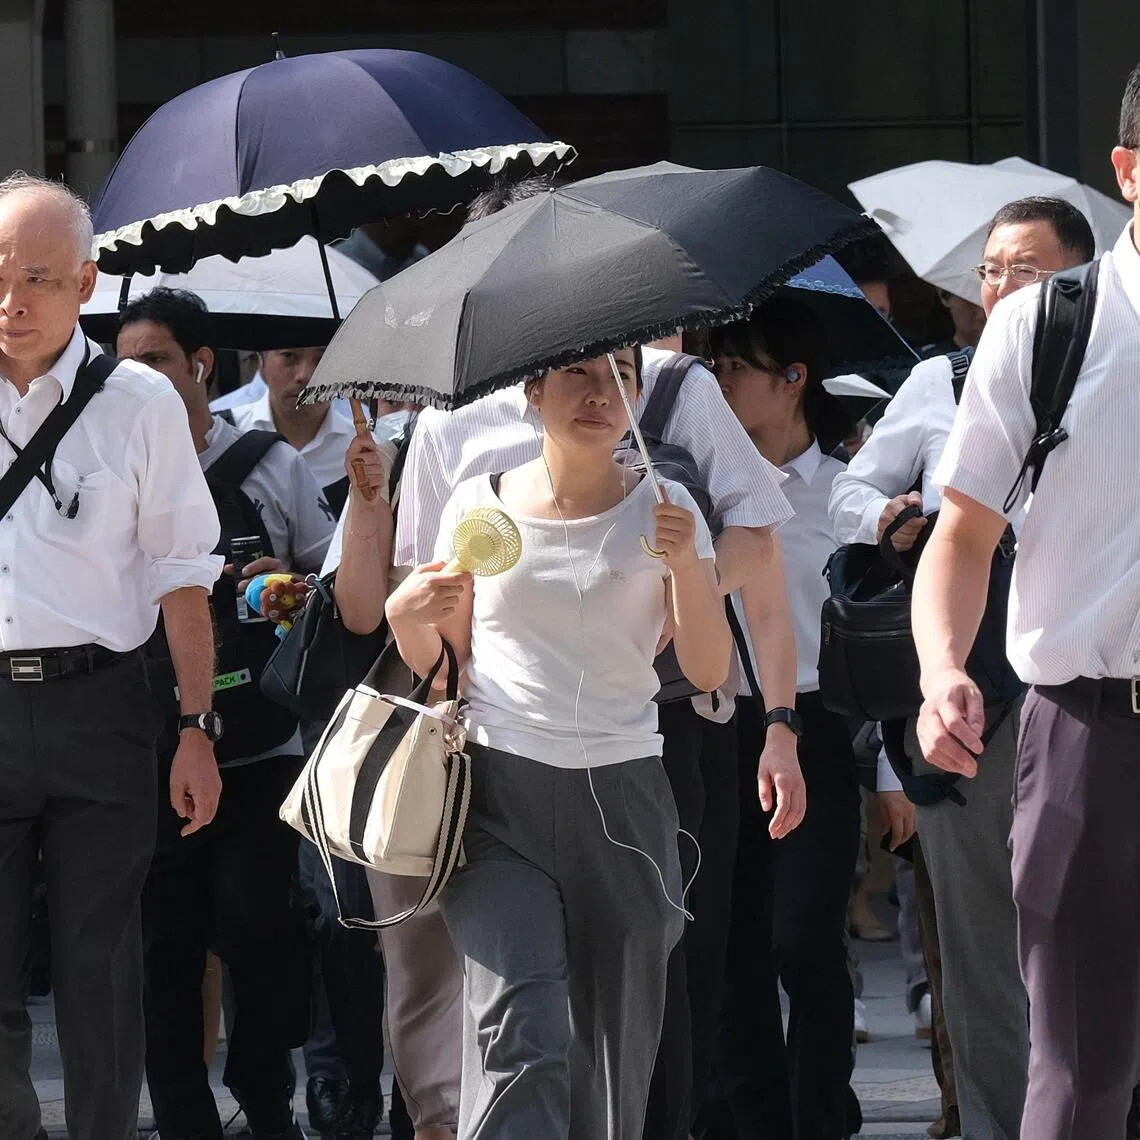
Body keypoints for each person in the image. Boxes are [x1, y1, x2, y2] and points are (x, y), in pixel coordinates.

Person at [386, 345, 730, 1140]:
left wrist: (688, 567)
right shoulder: (478, 502)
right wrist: (410, 621)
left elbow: (708, 668)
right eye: (577, 373)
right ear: (531, 390)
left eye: (622, 376)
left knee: (615, 1056)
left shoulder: (669, 507)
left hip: (627, 798)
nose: (601, 392)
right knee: (520, 1033)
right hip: (498, 796)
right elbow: (449, 666)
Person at [831, 195, 1096, 1140]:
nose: (999, 288)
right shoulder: (943, 380)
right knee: (982, 942)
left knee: (1090, 941)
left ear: (1079, 276)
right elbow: (846, 492)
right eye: (989, 271)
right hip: (970, 686)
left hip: (1089, 688)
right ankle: (994, 1122)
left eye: (1023, 271)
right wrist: (897, 518)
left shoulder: (1113, 358)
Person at [912, 68, 1140, 1140]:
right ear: (1130, 172)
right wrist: (941, 670)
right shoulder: (1052, 326)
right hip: (1092, 729)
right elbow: (962, 533)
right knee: (1083, 1072)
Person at [0, 175, 222, 1140]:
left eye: (38, 278)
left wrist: (196, 728)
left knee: (100, 968)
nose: (11, 300)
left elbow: (183, 574)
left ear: (88, 283)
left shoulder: (138, 404)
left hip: (106, 708)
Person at [114, 288, 335, 1140]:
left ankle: (266, 1089)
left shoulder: (267, 464)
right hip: (143, 748)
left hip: (261, 747)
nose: (137, 380)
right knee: (160, 953)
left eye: (156, 361)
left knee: (263, 927)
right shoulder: (106, 461)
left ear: (200, 366)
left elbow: (337, 589)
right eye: (125, 365)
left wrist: (289, 586)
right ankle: (182, 1120)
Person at [702, 297, 864, 1140]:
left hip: (818, 727)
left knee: (804, 943)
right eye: (715, 364)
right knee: (735, 953)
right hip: (718, 727)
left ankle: (821, 1119)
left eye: (737, 367)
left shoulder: (843, 495)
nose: (718, 379)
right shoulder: (698, 490)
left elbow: (872, 633)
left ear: (793, 379)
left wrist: (887, 768)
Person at [227, 345, 359, 516]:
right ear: (261, 362)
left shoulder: (364, 452)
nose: (305, 375)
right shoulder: (224, 435)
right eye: (289, 356)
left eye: (322, 359)